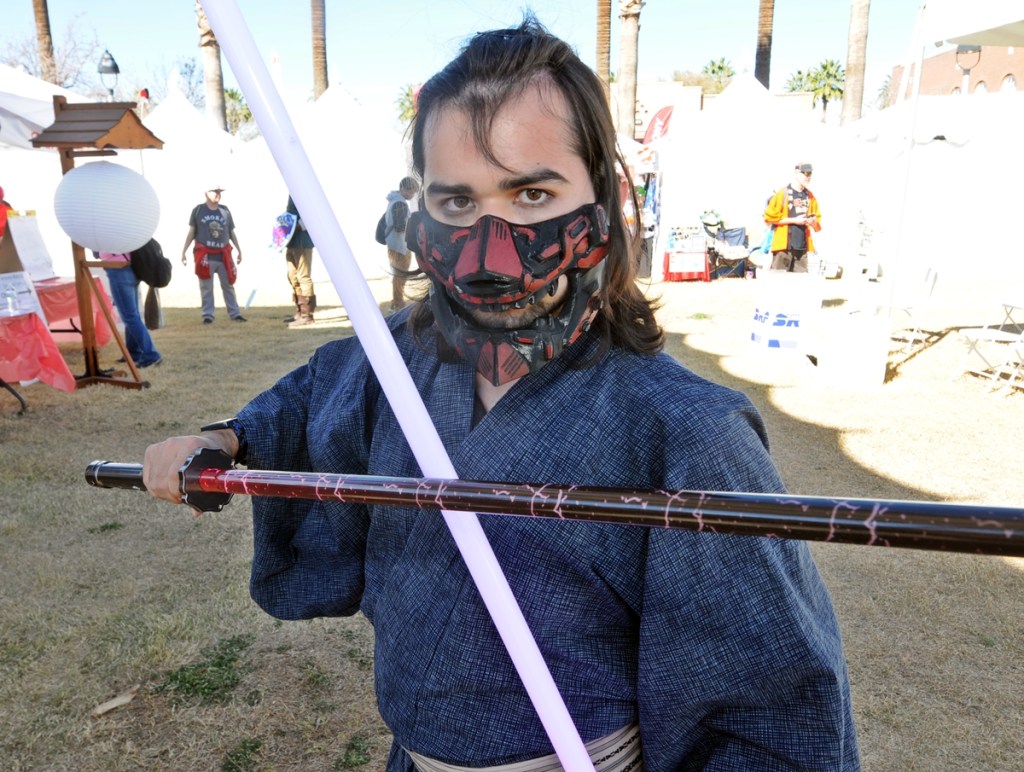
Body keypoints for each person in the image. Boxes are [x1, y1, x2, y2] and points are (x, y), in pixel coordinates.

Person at [143, 19, 859, 771]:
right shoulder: (397, 366)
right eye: (456, 203)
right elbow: (312, 393)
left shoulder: (687, 433)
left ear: (605, 197)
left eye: (531, 191)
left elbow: (766, 705)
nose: (489, 242)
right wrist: (225, 441)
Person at [180, 186, 246, 323]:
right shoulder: (198, 210)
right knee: (206, 287)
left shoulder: (225, 210)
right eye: (215, 192)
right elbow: (192, 232)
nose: (218, 194)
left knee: (228, 285)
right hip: (205, 255)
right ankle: (208, 315)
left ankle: (235, 313)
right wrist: (184, 251)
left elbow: (231, 232)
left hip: (223, 255)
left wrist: (239, 250)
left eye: (219, 192)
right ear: (206, 193)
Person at [98, 251, 163, 368]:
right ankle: (134, 353)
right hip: (129, 267)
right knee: (132, 315)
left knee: (130, 317)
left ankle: (151, 354)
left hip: (118, 269)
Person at [763, 162, 821, 273]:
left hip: (802, 249)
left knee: (800, 286)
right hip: (783, 248)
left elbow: (817, 225)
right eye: (806, 173)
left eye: (810, 174)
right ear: (797, 173)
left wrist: (812, 222)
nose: (809, 177)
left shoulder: (810, 196)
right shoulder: (782, 194)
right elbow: (769, 218)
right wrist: (795, 220)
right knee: (778, 284)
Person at [383, 176, 420, 311]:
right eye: (411, 192)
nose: (412, 195)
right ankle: (398, 304)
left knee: (398, 274)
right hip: (400, 245)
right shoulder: (401, 204)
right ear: (404, 189)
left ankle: (397, 303)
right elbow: (400, 226)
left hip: (394, 243)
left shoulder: (394, 200)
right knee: (400, 275)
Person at [283, 195, 316, 326]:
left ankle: (307, 315)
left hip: (302, 240)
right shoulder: (292, 193)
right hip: (291, 240)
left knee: (303, 277)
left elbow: (311, 214)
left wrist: (297, 227)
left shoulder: (302, 190)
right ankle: (299, 311)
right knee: (293, 277)